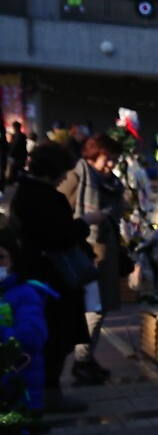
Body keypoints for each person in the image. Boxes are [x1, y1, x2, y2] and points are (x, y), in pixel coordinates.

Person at [10, 142, 107, 413]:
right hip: (51, 281)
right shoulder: (43, 197)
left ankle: (45, 392)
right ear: (52, 170)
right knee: (55, 337)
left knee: (49, 337)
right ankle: (49, 393)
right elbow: (60, 236)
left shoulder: (25, 192)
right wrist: (86, 221)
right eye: (62, 171)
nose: (65, 177)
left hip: (38, 277)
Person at [59, 133, 124, 385]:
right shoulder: (78, 175)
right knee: (94, 311)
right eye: (107, 159)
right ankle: (82, 359)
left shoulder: (113, 184)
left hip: (106, 254)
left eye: (114, 161)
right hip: (83, 254)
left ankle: (87, 356)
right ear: (93, 154)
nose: (111, 165)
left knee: (102, 308)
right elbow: (60, 209)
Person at [0, 226, 49, 411]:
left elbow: (31, 336)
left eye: (0, 258)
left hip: (19, 387)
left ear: (13, 260)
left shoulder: (25, 293)